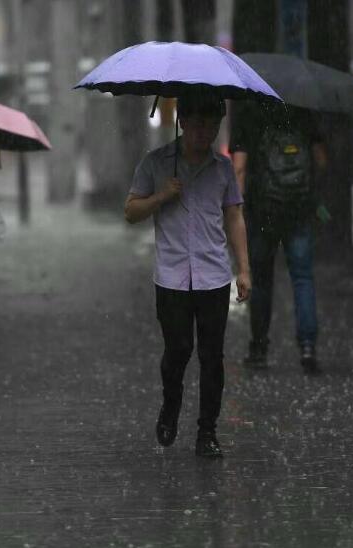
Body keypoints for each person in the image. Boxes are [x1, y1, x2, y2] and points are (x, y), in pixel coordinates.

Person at [125, 93, 251, 458]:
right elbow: (131, 211)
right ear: (182, 121)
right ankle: (171, 404)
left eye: (211, 125)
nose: (203, 132)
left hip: (214, 274)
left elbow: (234, 216)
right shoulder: (156, 162)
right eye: (197, 124)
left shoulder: (222, 168)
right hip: (171, 277)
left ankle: (207, 431)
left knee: (212, 356)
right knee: (178, 350)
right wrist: (161, 196)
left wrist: (244, 269)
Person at [230, 103, 328, 373]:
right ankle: (308, 347)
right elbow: (321, 160)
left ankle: (259, 349)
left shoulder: (250, 112)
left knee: (261, 280)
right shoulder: (302, 111)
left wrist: (237, 210)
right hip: (299, 207)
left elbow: (238, 168)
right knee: (303, 277)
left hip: (263, 210)